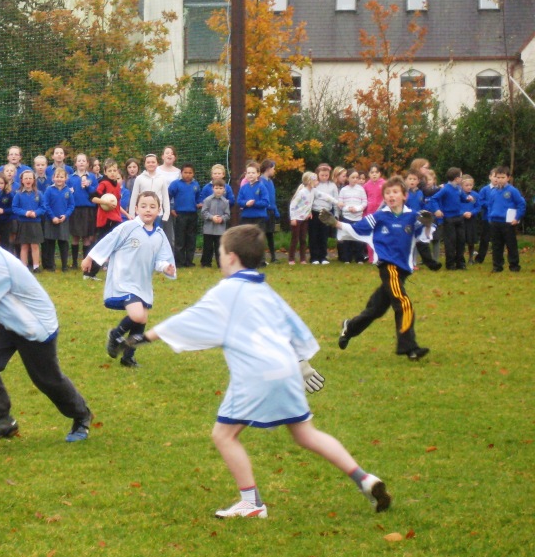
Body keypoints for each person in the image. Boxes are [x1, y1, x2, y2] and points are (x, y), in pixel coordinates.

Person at [123, 224, 390, 519]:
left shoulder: (227, 290)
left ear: (232, 257)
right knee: (305, 434)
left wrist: (144, 337)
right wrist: (302, 361)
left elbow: (192, 319)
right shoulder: (264, 289)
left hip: (255, 374)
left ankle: (251, 503)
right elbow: (293, 324)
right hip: (286, 368)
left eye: (222, 253)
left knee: (223, 435)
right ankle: (365, 479)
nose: (221, 258)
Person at [0, 211, 92, 444]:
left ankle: (82, 416)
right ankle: (4, 420)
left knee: (47, 380)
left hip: (35, 327)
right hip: (8, 321)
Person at [326, 176, 431, 361]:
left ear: (404, 196)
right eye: (388, 193)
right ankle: (410, 347)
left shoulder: (412, 216)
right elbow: (356, 229)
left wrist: (428, 224)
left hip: (403, 271)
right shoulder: (379, 217)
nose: (391, 196)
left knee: (377, 309)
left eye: (395, 192)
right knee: (403, 303)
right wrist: (336, 223)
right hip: (388, 267)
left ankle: (349, 327)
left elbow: (424, 237)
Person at [82, 191, 176, 369]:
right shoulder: (128, 227)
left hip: (143, 283)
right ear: (136, 208)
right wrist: (90, 257)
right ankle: (115, 336)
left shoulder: (159, 235)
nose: (148, 210)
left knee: (141, 320)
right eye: (144, 206)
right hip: (123, 280)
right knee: (137, 315)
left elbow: (161, 260)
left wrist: (166, 268)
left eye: (152, 206)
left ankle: (128, 357)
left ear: (159, 210)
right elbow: (108, 241)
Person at [485, 166, 526, 273]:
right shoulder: (493, 191)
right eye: (498, 177)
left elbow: (521, 204)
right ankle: (497, 266)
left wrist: (517, 218)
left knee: (511, 245)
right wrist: (490, 217)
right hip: (495, 222)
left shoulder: (512, 191)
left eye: (503, 177)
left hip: (508, 222)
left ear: (508, 178)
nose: (500, 179)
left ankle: (514, 266)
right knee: (496, 245)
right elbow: (490, 205)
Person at [429, 167, 468, 270]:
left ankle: (460, 262)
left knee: (461, 240)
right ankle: (450, 264)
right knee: (451, 241)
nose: (462, 179)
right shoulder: (446, 188)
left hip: (459, 217)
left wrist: (468, 199)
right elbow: (434, 199)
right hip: (449, 218)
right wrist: (437, 210)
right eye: (461, 177)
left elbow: (462, 198)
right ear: (456, 178)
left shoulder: (458, 188)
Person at [67, 154, 98, 269]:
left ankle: (86, 262)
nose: (81, 163)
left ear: (87, 163)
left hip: (88, 209)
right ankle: (74, 263)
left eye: (83, 161)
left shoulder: (92, 177)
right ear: (75, 163)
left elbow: (95, 192)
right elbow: (68, 192)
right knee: (75, 236)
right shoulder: (70, 178)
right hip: (75, 209)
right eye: (79, 161)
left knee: (86, 237)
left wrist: (88, 186)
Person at [42, 167, 74, 272]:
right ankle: (51, 265)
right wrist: (52, 217)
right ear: (53, 178)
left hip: (63, 220)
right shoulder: (49, 190)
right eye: (57, 177)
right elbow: (45, 205)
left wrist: (66, 215)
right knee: (50, 243)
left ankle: (65, 266)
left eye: (61, 177)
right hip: (51, 220)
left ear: (66, 178)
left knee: (63, 243)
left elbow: (71, 205)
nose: (59, 179)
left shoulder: (68, 191)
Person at [12, 169, 45, 272]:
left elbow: (43, 207)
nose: (28, 180)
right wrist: (25, 213)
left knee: (35, 245)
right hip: (23, 223)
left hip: (35, 223)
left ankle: (36, 266)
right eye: (26, 178)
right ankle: (23, 267)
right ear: (22, 180)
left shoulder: (39, 194)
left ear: (34, 180)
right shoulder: (18, 194)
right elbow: (15, 208)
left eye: (30, 178)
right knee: (24, 245)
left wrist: (36, 213)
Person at [169, 163, 200, 268]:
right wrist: (170, 209)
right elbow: (167, 196)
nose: (187, 175)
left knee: (191, 238)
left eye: (190, 173)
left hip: (193, 214)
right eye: (185, 172)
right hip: (180, 215)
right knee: (180, 239)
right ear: (181, 173)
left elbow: (198, 198)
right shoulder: (175, 184)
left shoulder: (196, 185)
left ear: (193, 174)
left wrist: (200, 204)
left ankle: (189, 261)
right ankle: (179, 262)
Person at [308, 164, 338, 264]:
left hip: (326, 213)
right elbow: (310, 198)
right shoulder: (314, 184)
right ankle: (314, 257)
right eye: (322, 175)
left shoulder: (332, 185)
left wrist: (336, 214)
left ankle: (323, 257)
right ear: (318, 174)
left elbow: (335, 200)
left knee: (324, 235)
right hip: (315, 212)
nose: (324, 177)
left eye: (326, 175)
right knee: (314, 235)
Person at [337, 169, 368, 263]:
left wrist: (357, 209)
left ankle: (359, 258)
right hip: (347, 217)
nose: (355, 179)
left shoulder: (361, 189)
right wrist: (347, 208)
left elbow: (364, 202)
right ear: (347, 178)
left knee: (358, 238)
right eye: (353, 177)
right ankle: (347, 258)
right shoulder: (343, 190)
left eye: (357, 177)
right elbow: (340, 204)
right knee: (347, 238)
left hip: (358, 217)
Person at [200, 180, 231, 268]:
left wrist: (222, 219)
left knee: (219, 248)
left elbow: (228, 215)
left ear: (224, 189)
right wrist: (212, 217)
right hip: (208, 229)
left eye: (220, 188)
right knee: (207, 247)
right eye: (216, 188)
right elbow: (203, 213)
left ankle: (221, 263)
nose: (218, 190)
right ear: (213, 188)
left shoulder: (226, 202)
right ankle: (206, 263)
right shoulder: (207, 200)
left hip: (220, 230)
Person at [288, 171, 316, 265]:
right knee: (295, 239)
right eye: (314, 180)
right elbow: (293, 205)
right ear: (309, 181)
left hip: (305, 219)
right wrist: (293, 218)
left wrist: (309, 212)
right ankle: (291, 258)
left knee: (303, 239)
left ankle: (302, 258)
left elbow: (308, 204)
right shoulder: (301, 192)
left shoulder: (312, 191)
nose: (316, 182)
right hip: (297, 218)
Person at [259, 160, 280, 263]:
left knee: (270, 234)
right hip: (264, 212)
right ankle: (261, 258)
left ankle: (273, 257)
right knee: (262, 234)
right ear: (268, 168)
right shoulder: (261, 181)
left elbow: (272, 198)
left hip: (271, 211)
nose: (274, 170)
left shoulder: (270, 182)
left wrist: (275, 210)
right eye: (273, 168)